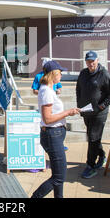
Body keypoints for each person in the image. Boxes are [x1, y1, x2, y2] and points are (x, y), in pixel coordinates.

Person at [31, 61, 80, 198]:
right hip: (52, 135)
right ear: (54, 74)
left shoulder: (48, 89)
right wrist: (67, 112)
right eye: (60, 72)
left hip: (54, 134)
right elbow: (47, 119)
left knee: (58, 175)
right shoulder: (46, 91)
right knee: (59, 177)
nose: (62, 75)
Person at [76, 51, 110, 179]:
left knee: (93, 138)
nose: (90, 63)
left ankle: (91, 166)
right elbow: (78, 89)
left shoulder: (104, 74)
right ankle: (102, 155)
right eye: (88, 61)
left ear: (97, 60)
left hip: (99, 113)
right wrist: (80, 104)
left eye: (92, 61)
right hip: (86, 111)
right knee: (92, 136)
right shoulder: (83, 73)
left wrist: (102, 106)